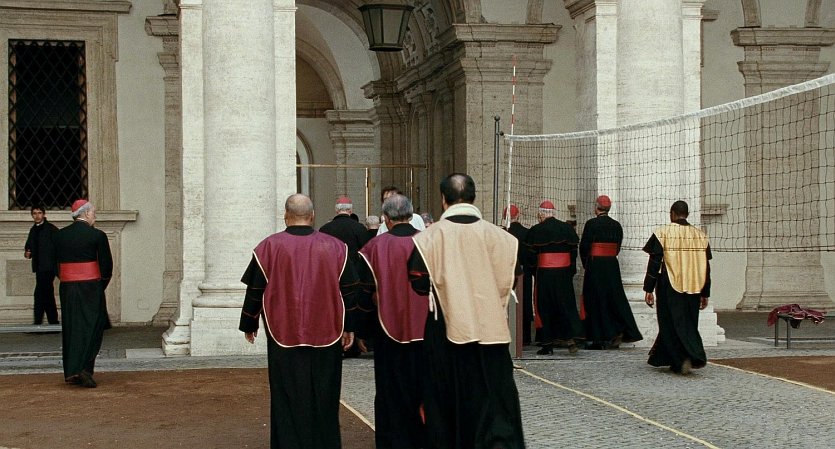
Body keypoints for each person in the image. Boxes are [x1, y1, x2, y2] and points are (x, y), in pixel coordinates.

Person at [408, 173, 525, 449]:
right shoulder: (503, 238)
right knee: (494, 405)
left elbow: (418, 282)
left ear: (443, 199)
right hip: (492, 335)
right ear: (473, 197)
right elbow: (514, 276)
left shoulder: (428, 238)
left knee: (447, 407)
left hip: (446, 333)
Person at [239, 194, 360, 449]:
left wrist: (250, 323)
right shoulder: (337, 247)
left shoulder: (268, 247)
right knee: (325, 395)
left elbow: (255, 290)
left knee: (286, 396)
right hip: (327, 331)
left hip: (283, 331)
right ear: (312, 216)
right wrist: (350, 326)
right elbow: (350, 291)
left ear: (285, 215)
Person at [357, 193, 429, 449]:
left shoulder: (373, 248)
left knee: (390, 392)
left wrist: (360, 331)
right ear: (411, 215)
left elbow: (364, 293)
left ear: (386, 219)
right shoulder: (429, 242)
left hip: (387, 330)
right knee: (426, 390)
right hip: (428, 330)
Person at [643, 200, 711, 375]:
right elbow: (706, 267)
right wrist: (705, 293)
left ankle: (684, 359)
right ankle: (669, 358)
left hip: (670, 285)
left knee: (669, 323)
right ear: (687, 214)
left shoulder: (663, 233)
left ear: (672, 214)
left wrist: (648, 289)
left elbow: (654, 262)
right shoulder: (700, 235)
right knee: (689, 322)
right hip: (695, 286)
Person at [53, 200, 113, 388]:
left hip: (68, 288)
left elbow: (55, 265)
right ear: (86, 213)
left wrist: (68, 280)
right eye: (93, 212)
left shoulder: (60, 235)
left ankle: (71, 371)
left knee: (71, 328)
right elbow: (106, 267)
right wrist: (99, 286)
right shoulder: (98, 235)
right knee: (92, 327)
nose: (95, 216)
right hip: (91, 287)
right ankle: (84, 369)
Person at [580, 195, 642, 349]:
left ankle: (597, 338)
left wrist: (586, 264)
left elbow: (584, 247)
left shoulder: (591, 224)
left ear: (596, 207)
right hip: (612, 265)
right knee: (614, 298)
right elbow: (617, 248)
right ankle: (617, 331)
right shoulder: (617, 225)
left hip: (595, 265)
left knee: (595, 300)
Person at [525, 200, 582, 355]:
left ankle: (547, 345)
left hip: (545, 275)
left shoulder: (536, 230)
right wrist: (569, 271)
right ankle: (571, 339)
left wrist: (535, 271)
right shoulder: (567, 228)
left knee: (545, 307)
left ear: (541, 214)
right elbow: (573, 253)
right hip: (563, 275)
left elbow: (531, 257)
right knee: (565, 306)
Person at [503, 204, 534, 345]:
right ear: (518, 215)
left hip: (506, 272)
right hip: (524, 272)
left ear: (504, 217)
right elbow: (530, 255)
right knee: (524, 302)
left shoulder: (502, 233)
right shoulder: (527, 233)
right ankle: (525, 337)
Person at [24, 205, 60, 325]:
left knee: (40, 294)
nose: (37, 216)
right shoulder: (33, 230)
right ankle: (52, 322)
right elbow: (29, 246)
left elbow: (59, 246)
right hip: (40, 267)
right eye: (34, 213)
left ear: (44, 214)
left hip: (49, 267)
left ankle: (39, 323)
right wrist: (28, 253)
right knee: (46, 294)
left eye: (39, 213)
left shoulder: (51, 229)